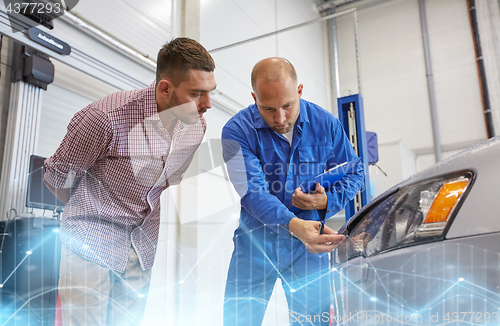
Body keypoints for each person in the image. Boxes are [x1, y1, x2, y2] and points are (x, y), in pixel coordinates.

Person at [43, 37, 216, 326]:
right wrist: (89, 210)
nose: (207, 104)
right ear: (165, 88)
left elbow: (168, 182)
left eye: (210, 92)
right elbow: (57, 178)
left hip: (141, 245)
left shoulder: (195, 127)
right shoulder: (106, 117)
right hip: (90, 240)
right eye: (197, 94)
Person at [221, 57, 364, 325]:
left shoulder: (327, 125)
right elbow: (252, 192)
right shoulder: (236, 131)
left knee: (313, 321)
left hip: (307, 251)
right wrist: (293, 224)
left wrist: (326, 201)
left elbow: (355, 173)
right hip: (254, 246)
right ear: (254, 98)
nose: (280, 118)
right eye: (268, 109)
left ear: (299, 91)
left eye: (287, 106)